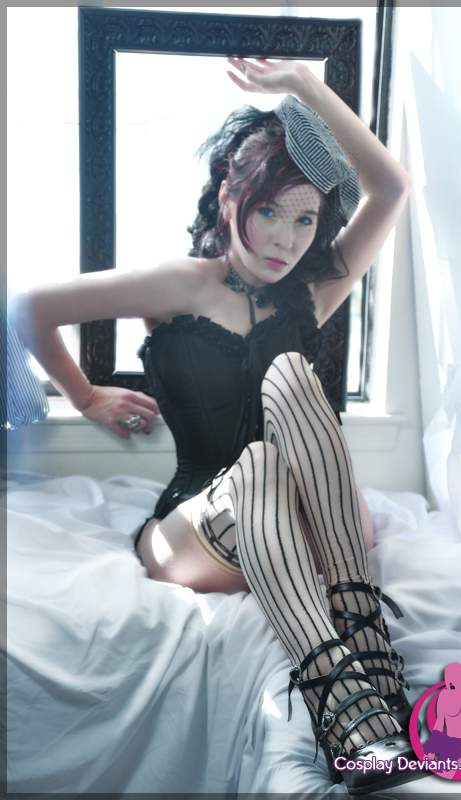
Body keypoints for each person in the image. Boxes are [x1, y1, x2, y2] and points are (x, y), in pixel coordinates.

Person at [13, 57, 422, 795]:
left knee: (291, 377)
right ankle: (346, 695)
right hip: (201, 525)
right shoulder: (180, 284)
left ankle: (363, 648)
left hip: (314, 523)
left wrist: (307, 89)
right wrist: (85, 396)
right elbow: (29, 309)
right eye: (269, 212)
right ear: (230, 195)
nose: (286, 240)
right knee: (256, 464)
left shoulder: (311, 292)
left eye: (305, 220)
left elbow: (390, 189)